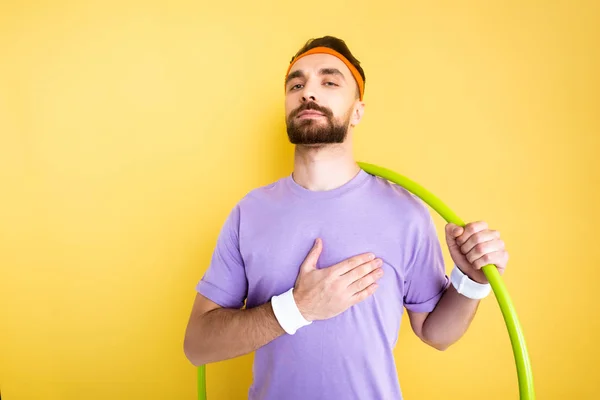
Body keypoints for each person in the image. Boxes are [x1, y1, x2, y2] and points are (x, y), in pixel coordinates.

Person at [183, 36, 509, 400]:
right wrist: (296, 307)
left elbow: (437, 334)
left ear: (357, 111)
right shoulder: (250, 212)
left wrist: (471, 281)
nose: (308, 92)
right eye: (297, 84)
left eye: (329, 82)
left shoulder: (405, 212)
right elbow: (197, 346)